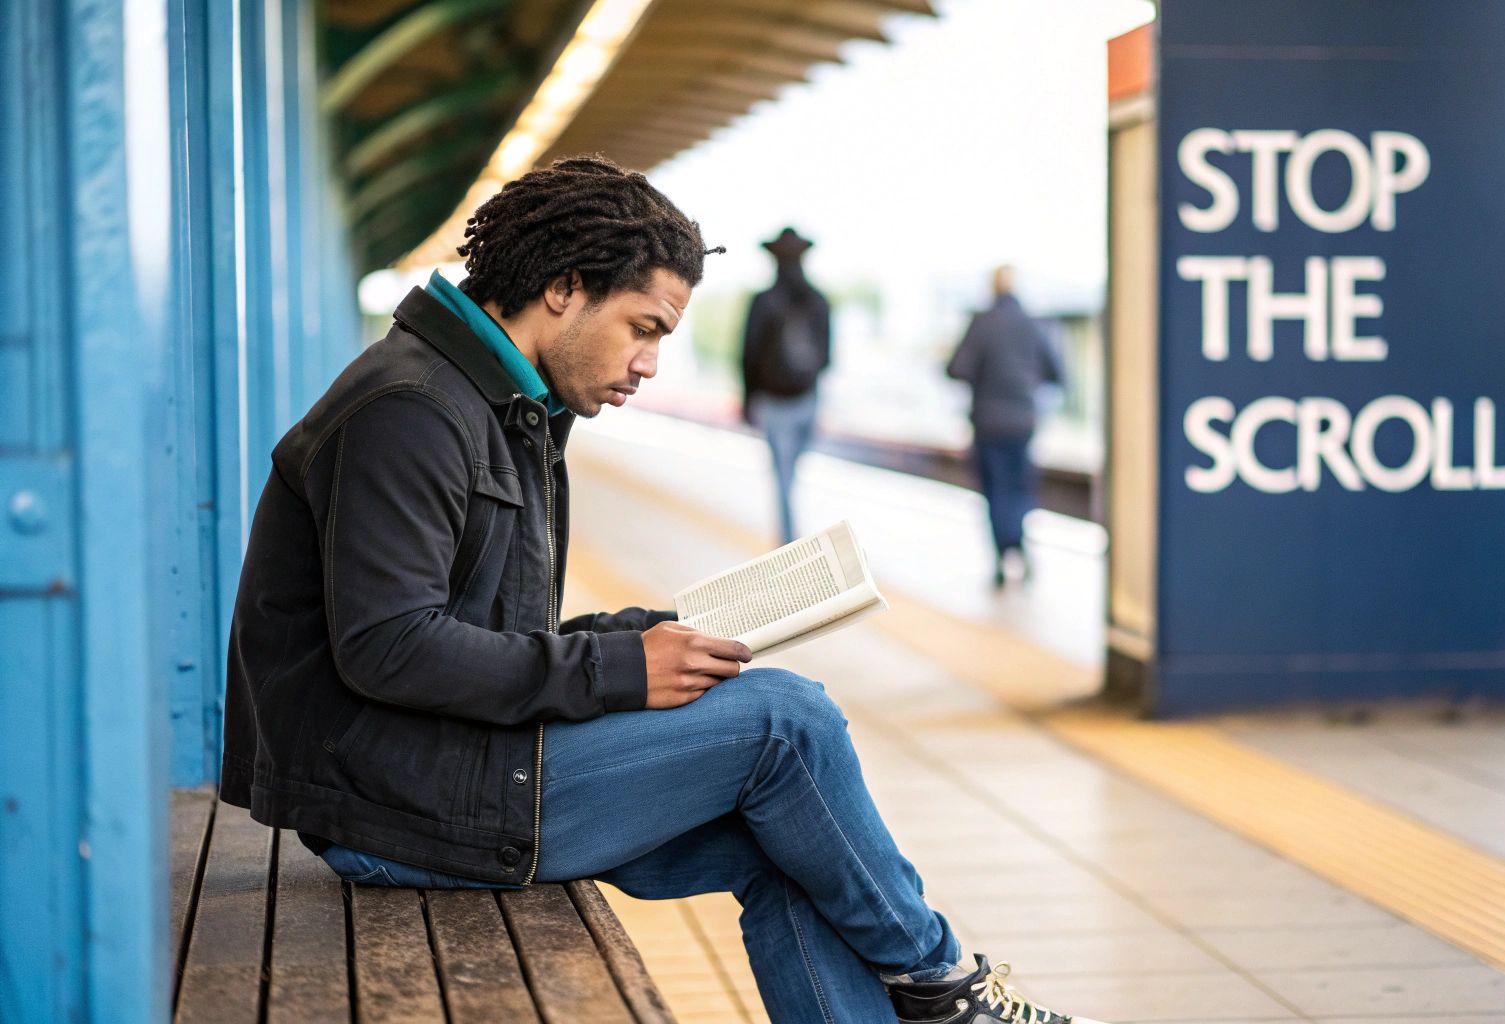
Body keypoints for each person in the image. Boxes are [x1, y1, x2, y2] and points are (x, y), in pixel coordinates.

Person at [219, 157, 1103, 1024]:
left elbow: (480, 630)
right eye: (643, 327)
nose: (648, 363)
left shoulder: (485, 403)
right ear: (565, 287)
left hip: (449, 765)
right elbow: (391, 647)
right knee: (788, 719)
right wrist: (618, 669)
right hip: (399, 804)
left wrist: (656, 634)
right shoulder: (411, 410)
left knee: (795, 847)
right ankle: (943, 985)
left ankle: (935, 992)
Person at [946, 266, 1065, 588]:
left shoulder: (982, 323)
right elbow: (1057, 371)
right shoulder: (1033, 324)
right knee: (1019, 486)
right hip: (1023, 421)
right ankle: (1017, 542)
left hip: (987, 421)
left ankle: (1003, 552)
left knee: (995, 488)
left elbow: (956, 368)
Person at [740, 226, 831, 544]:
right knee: (796, 470)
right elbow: (828, 357)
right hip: (808, 397)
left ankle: (789, 542)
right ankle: (799, 538)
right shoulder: (819, 300)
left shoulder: (763, 301)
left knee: (783, 477)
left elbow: (748, 355)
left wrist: (748, 400)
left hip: (774, 400)